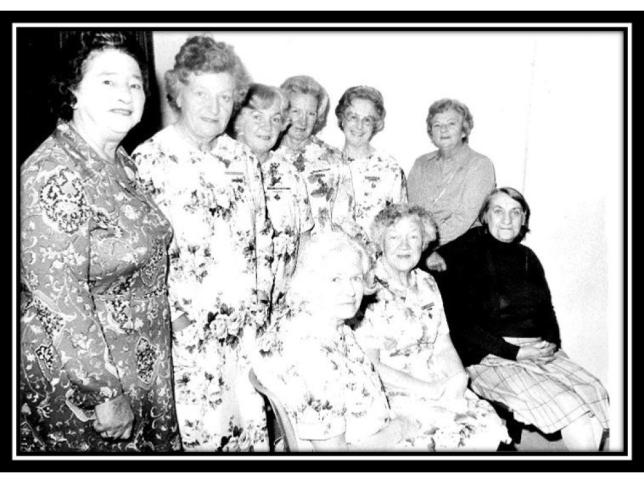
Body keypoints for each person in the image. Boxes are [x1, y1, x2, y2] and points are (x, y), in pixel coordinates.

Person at [19, 31, 180, 452]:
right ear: (72, 91)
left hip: (139, 362)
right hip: (87, 382)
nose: (125, 93)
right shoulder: (56, 172)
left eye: (135, 83)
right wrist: (104, 393)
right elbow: (59, 296)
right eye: (107, 81)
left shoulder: (120, 161)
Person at [132, 36, 273, 451]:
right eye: (202, 94)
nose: (214, 108)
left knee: (251, 437)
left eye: (225, 96)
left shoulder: (242, 159)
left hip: (244, 335)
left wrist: (260, 322)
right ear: (178, 92)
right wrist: (175, 322)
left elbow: (258, 243)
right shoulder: (149, 161)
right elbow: (140, 263)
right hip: (187, 341)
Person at [437, 187, 610, 451]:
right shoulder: (465, 256)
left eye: (515, 212)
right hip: (492, 358)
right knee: (570, 408)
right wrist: (515, 352)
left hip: (539, 353)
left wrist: (551, 342)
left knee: (594, 393)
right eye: (498, 211)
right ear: (484, 217)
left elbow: (546, 309)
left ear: (524, 219)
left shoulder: (528, 257)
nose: (507, 219)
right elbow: (462, 325)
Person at [253, 226, 436, 451]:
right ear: (311, 281)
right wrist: (400, 428)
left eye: (355, 278)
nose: (350, 290)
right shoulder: (313, 356)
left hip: (375, 427)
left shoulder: (325, 320)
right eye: (335, 279)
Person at [353, 204, 510, 451]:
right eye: (394, 237)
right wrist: (429, 390)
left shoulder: (427, 282)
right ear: (380, 242)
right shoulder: (368, 287)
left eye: (413, 236)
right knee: (446, 439)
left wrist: (458, 380)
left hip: (435, 381)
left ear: (424, 242)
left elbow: (443, 344)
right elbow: (370, 365)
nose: (404, 245)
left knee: (487, 426)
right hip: (392, 393)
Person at [233, 83, 314, 305]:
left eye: (276, 119)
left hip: (283, 301)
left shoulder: (290, 174)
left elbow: (305, 241)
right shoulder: (220, 169)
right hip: (234, 307)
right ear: (238, 119)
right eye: (257, 117)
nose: (267, 127)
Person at [407, 98, 495, 272]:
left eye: (451, 123)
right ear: (431, 132)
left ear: (464, 130)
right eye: (437, 125)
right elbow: (411, 209)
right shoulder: (421, 163)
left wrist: (425, 247)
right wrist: (421, 248)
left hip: (462, 247)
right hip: (421, 245)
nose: (444, 129)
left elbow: (463, 219)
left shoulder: (480, 164)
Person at [275, 75, 359, 238]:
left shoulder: (333, 158)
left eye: (311, 113)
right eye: (296, 111)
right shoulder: (266, 155)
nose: (303, 121)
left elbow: (345, 220)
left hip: (321, 257)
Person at [335, 85, 407, 238]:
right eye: (353, 117)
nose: (359, 126)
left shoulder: (389, 168)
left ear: (375, 125)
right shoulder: (325, 164)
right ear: (342, 119)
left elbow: (399, 225)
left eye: (367, 120)